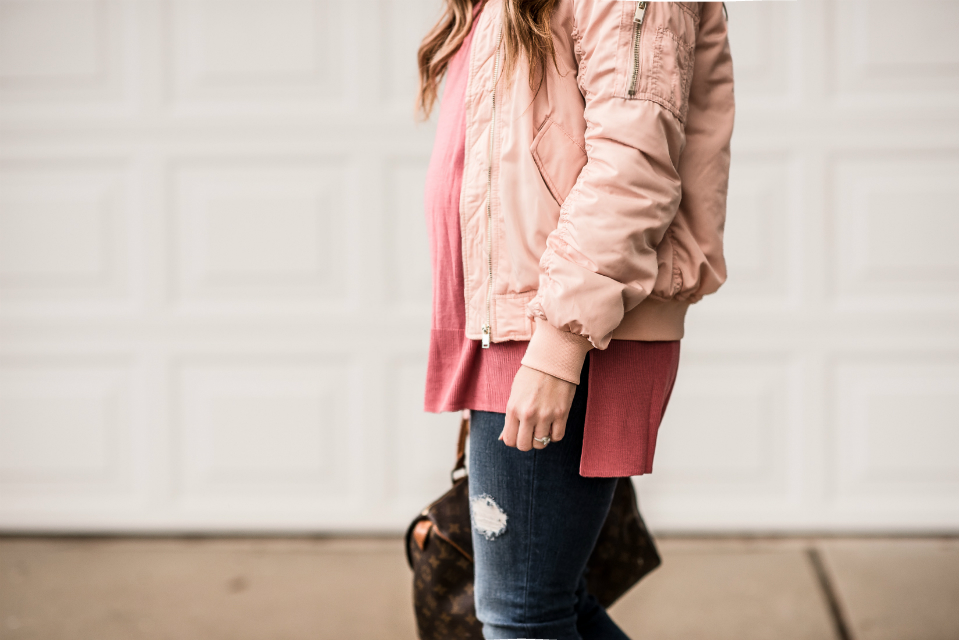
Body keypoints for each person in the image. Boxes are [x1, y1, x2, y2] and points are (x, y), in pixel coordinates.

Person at [417, 1, 734, 638]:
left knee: (524, 614)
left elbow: (632, 168)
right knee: (541, 602)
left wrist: (557, 346)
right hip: (517, 319)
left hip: (572, 326)